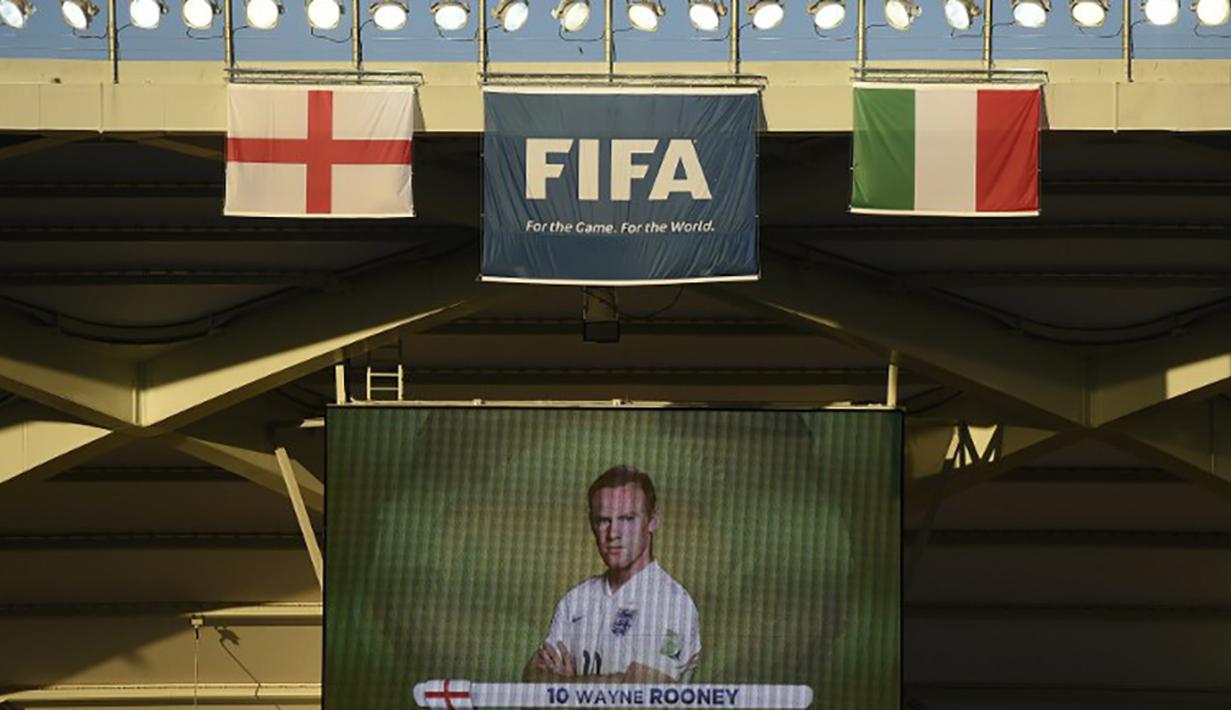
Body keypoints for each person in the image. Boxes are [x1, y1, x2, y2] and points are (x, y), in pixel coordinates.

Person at [524, 465, 701, 684]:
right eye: (603, 520)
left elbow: (644, 694)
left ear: (653, 520)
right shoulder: (575, 600)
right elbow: (532, 679)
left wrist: (565, 685)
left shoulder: (673, 603)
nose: (613, 534)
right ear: (592, 524)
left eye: (627, 519)